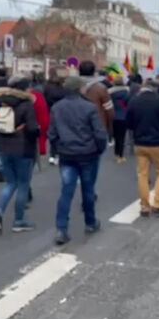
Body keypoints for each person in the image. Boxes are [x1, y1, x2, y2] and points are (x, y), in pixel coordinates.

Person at [48, 77, 107, 245]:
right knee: (88, 189)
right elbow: (99, 133)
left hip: (67, 154)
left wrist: (58, 147)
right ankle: (90, 222)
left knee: (66, 191)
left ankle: (61, 229)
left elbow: (52, 133)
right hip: (88, 153)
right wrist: (99, 149)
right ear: (80, 89)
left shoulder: (57, 108)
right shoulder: (89, 107)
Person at [0, 77, 40, 233]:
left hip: (4, 148)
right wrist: (36, 130)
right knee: (23, 184)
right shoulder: (26, 105)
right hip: (23, 148)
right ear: (24, 89)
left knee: (10, 183)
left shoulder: (0, 102)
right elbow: (32, 129)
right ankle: (19, 220)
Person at [126, 79, 159, 217]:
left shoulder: (134, 101)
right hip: (158, 143)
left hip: (140, 143)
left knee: (142, 174)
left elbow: (129, 123)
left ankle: (144, 206)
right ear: (156, 89)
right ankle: (157, 204)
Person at [80, 61, 114, 147]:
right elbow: (109, 110)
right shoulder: (101, 89)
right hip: (97, 125)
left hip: (76, 125)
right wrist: (109, 125)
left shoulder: (73, 87)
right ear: (94, 72)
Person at [44, 68, 68, 165]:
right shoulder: (63, 88)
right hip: (62, 112)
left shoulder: (46, 87)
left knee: (52, 133)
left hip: (50, 111)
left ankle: (52, 155)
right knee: (61, 133)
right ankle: (57, 154)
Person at [108, 76, 131, 163]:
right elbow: (128, 104)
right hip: (123, 116)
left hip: (113, 116)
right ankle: (121, 156)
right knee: (122, 137)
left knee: (116, 136)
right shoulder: (127, 92)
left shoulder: (109, 92)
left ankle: (116, 154)